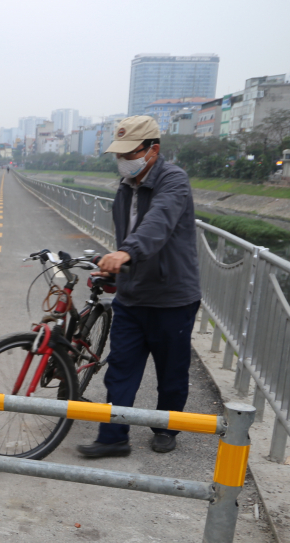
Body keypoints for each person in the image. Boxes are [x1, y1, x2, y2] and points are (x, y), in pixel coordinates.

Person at [78, 115, 200, 458]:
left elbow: (157, 224)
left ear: (152, 150)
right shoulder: (124, 187)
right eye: (119, 154)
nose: (122, 160)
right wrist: (117, 269)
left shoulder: (173, 181)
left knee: (171, 372)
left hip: (172, 297)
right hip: (133, 297)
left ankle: (165, 427)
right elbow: (126, 236)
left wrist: (125, 253)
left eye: (129, 153)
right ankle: (114, 436)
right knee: (120, 369)